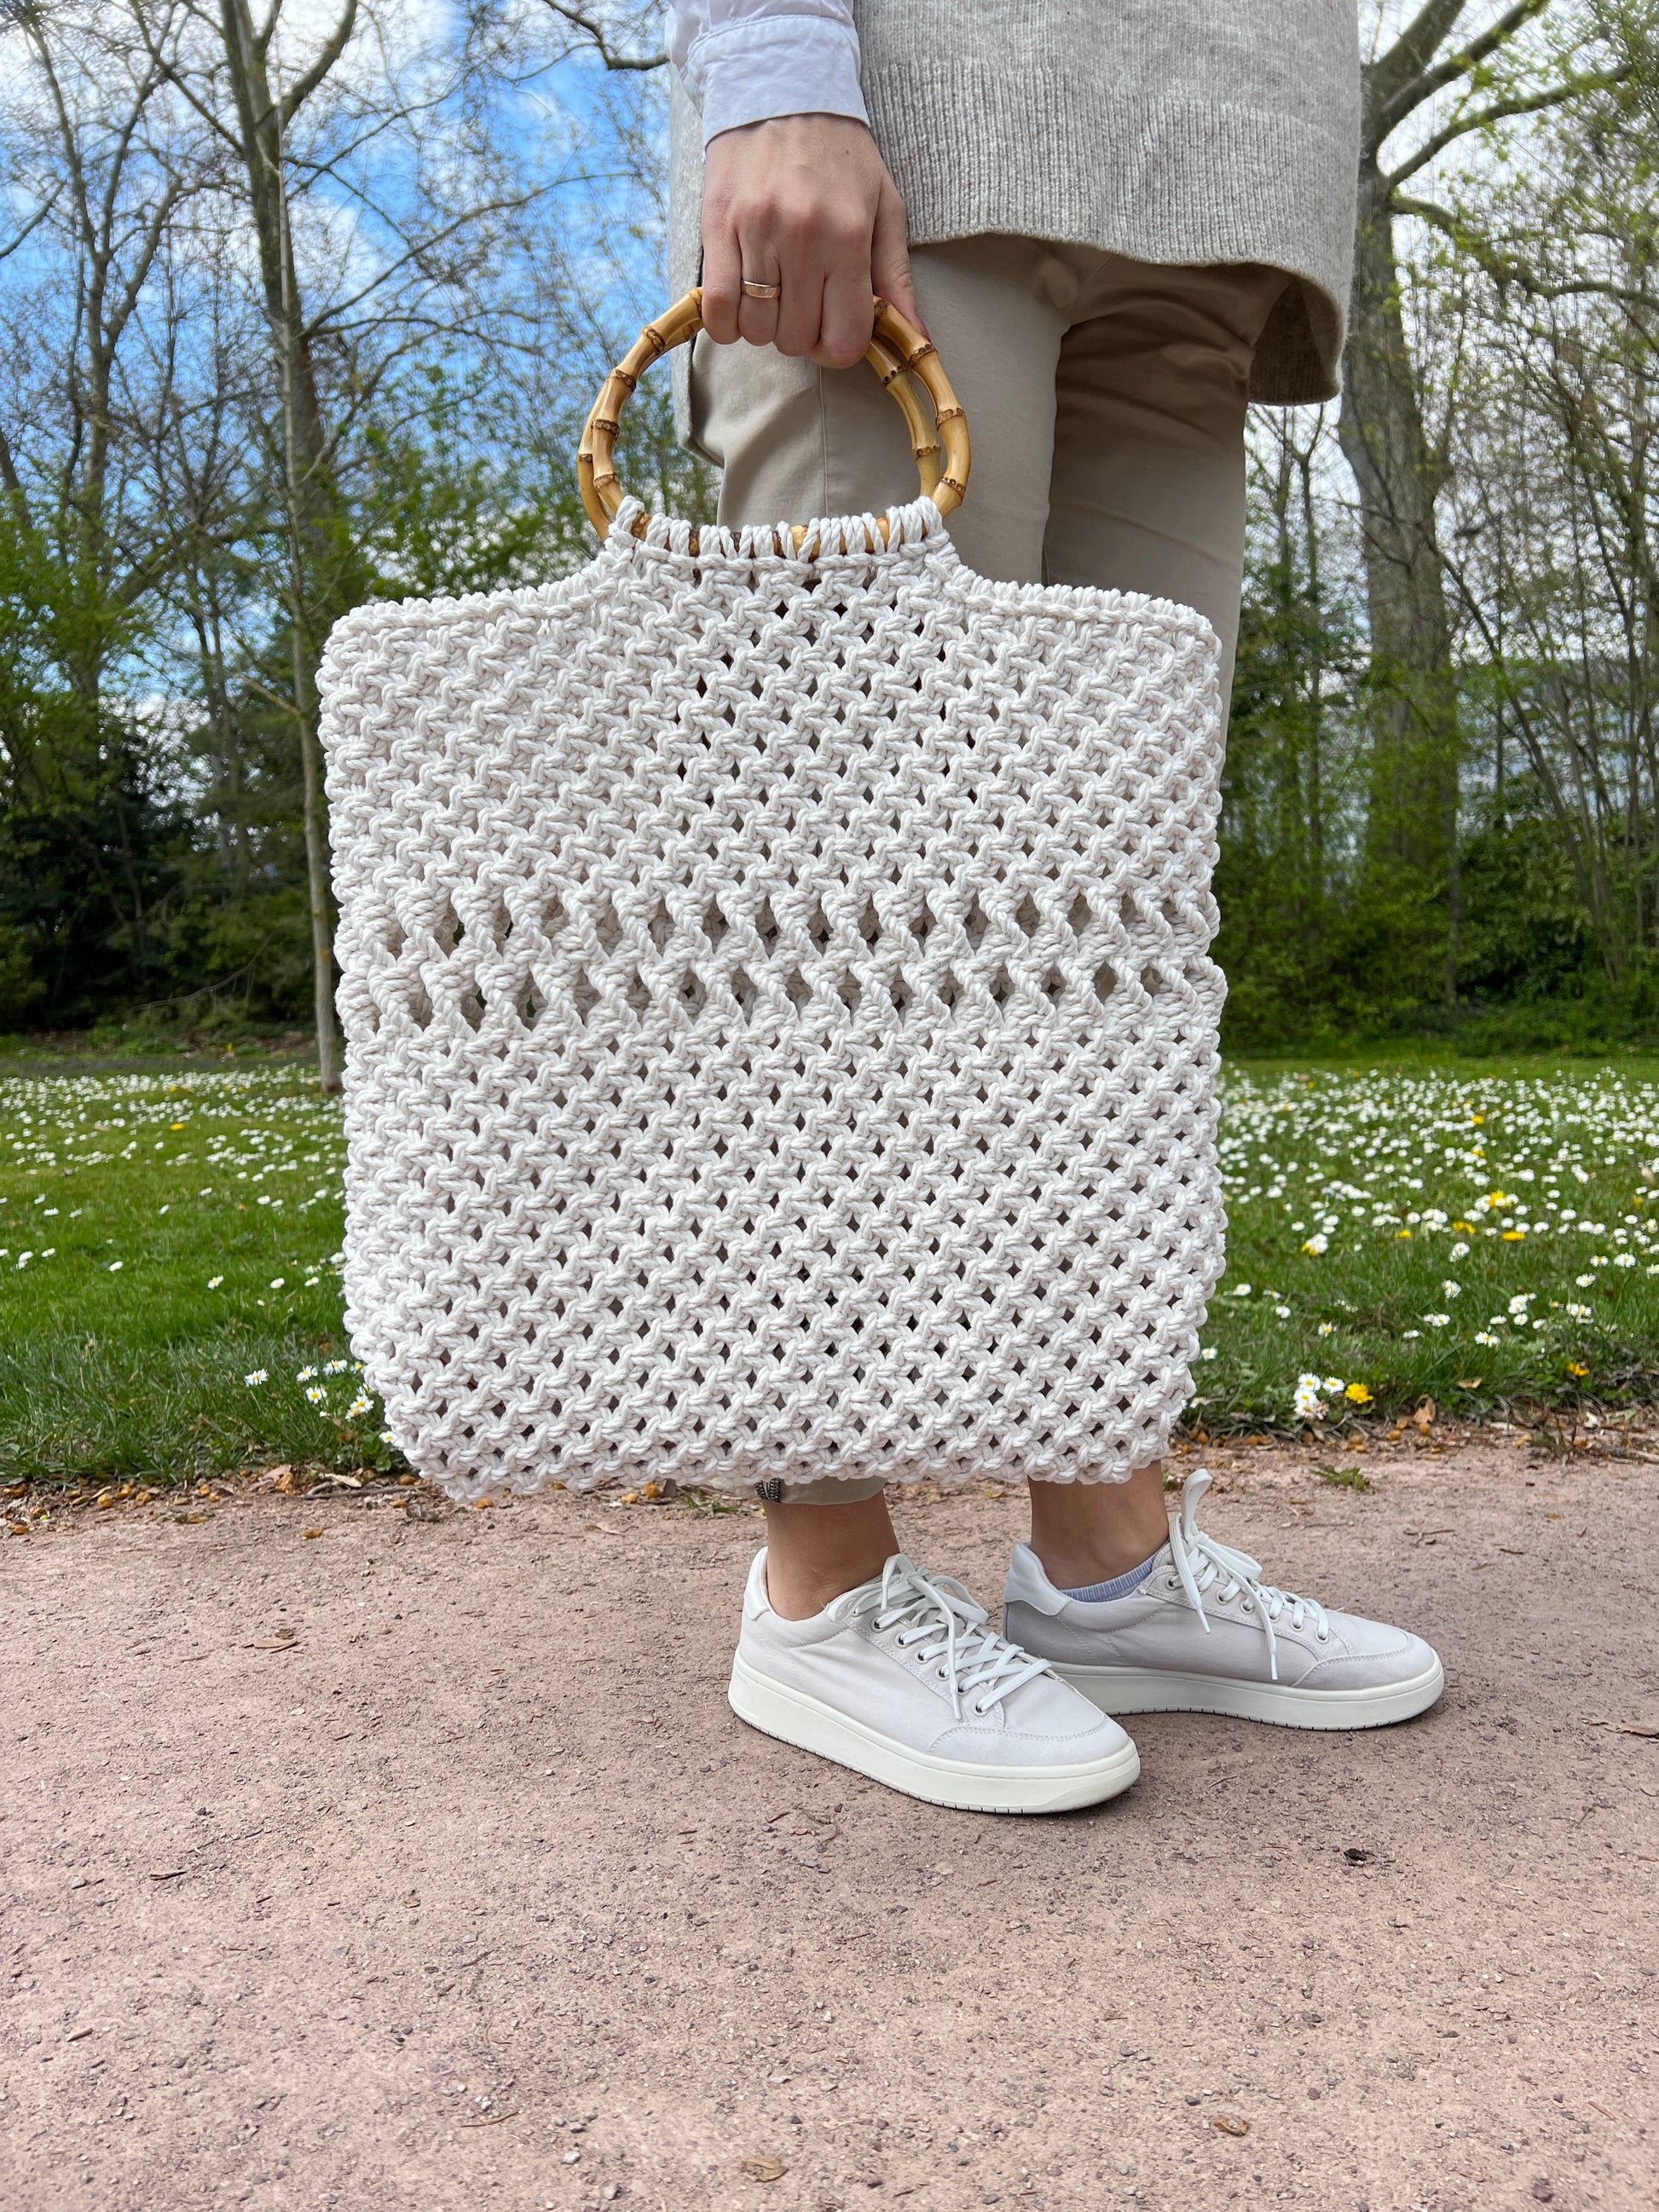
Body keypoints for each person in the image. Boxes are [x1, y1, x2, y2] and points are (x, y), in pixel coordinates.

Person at [662, 0, 1443, 1813]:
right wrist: (775, 75)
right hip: (931, 117)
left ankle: (1100, 1563)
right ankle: (823, 1580)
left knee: (1103, 941)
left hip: (1210, 181)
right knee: (843, 920)